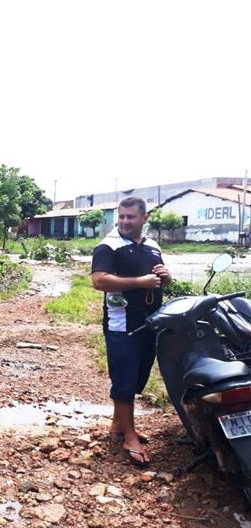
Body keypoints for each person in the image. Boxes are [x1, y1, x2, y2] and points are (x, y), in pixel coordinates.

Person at [91, 197, 171, 467]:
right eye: (121, 217)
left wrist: (165, 277)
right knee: (124, 378)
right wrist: (140, 282)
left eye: (130, 217)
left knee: (137, 377)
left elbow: (158, 280)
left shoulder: (152, 246)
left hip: (149, 322)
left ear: (144, 218)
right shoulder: (109, 245)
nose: (124, 222)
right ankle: (129, 436)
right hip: (121, 324)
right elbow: (99, 280)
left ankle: (118, 425)